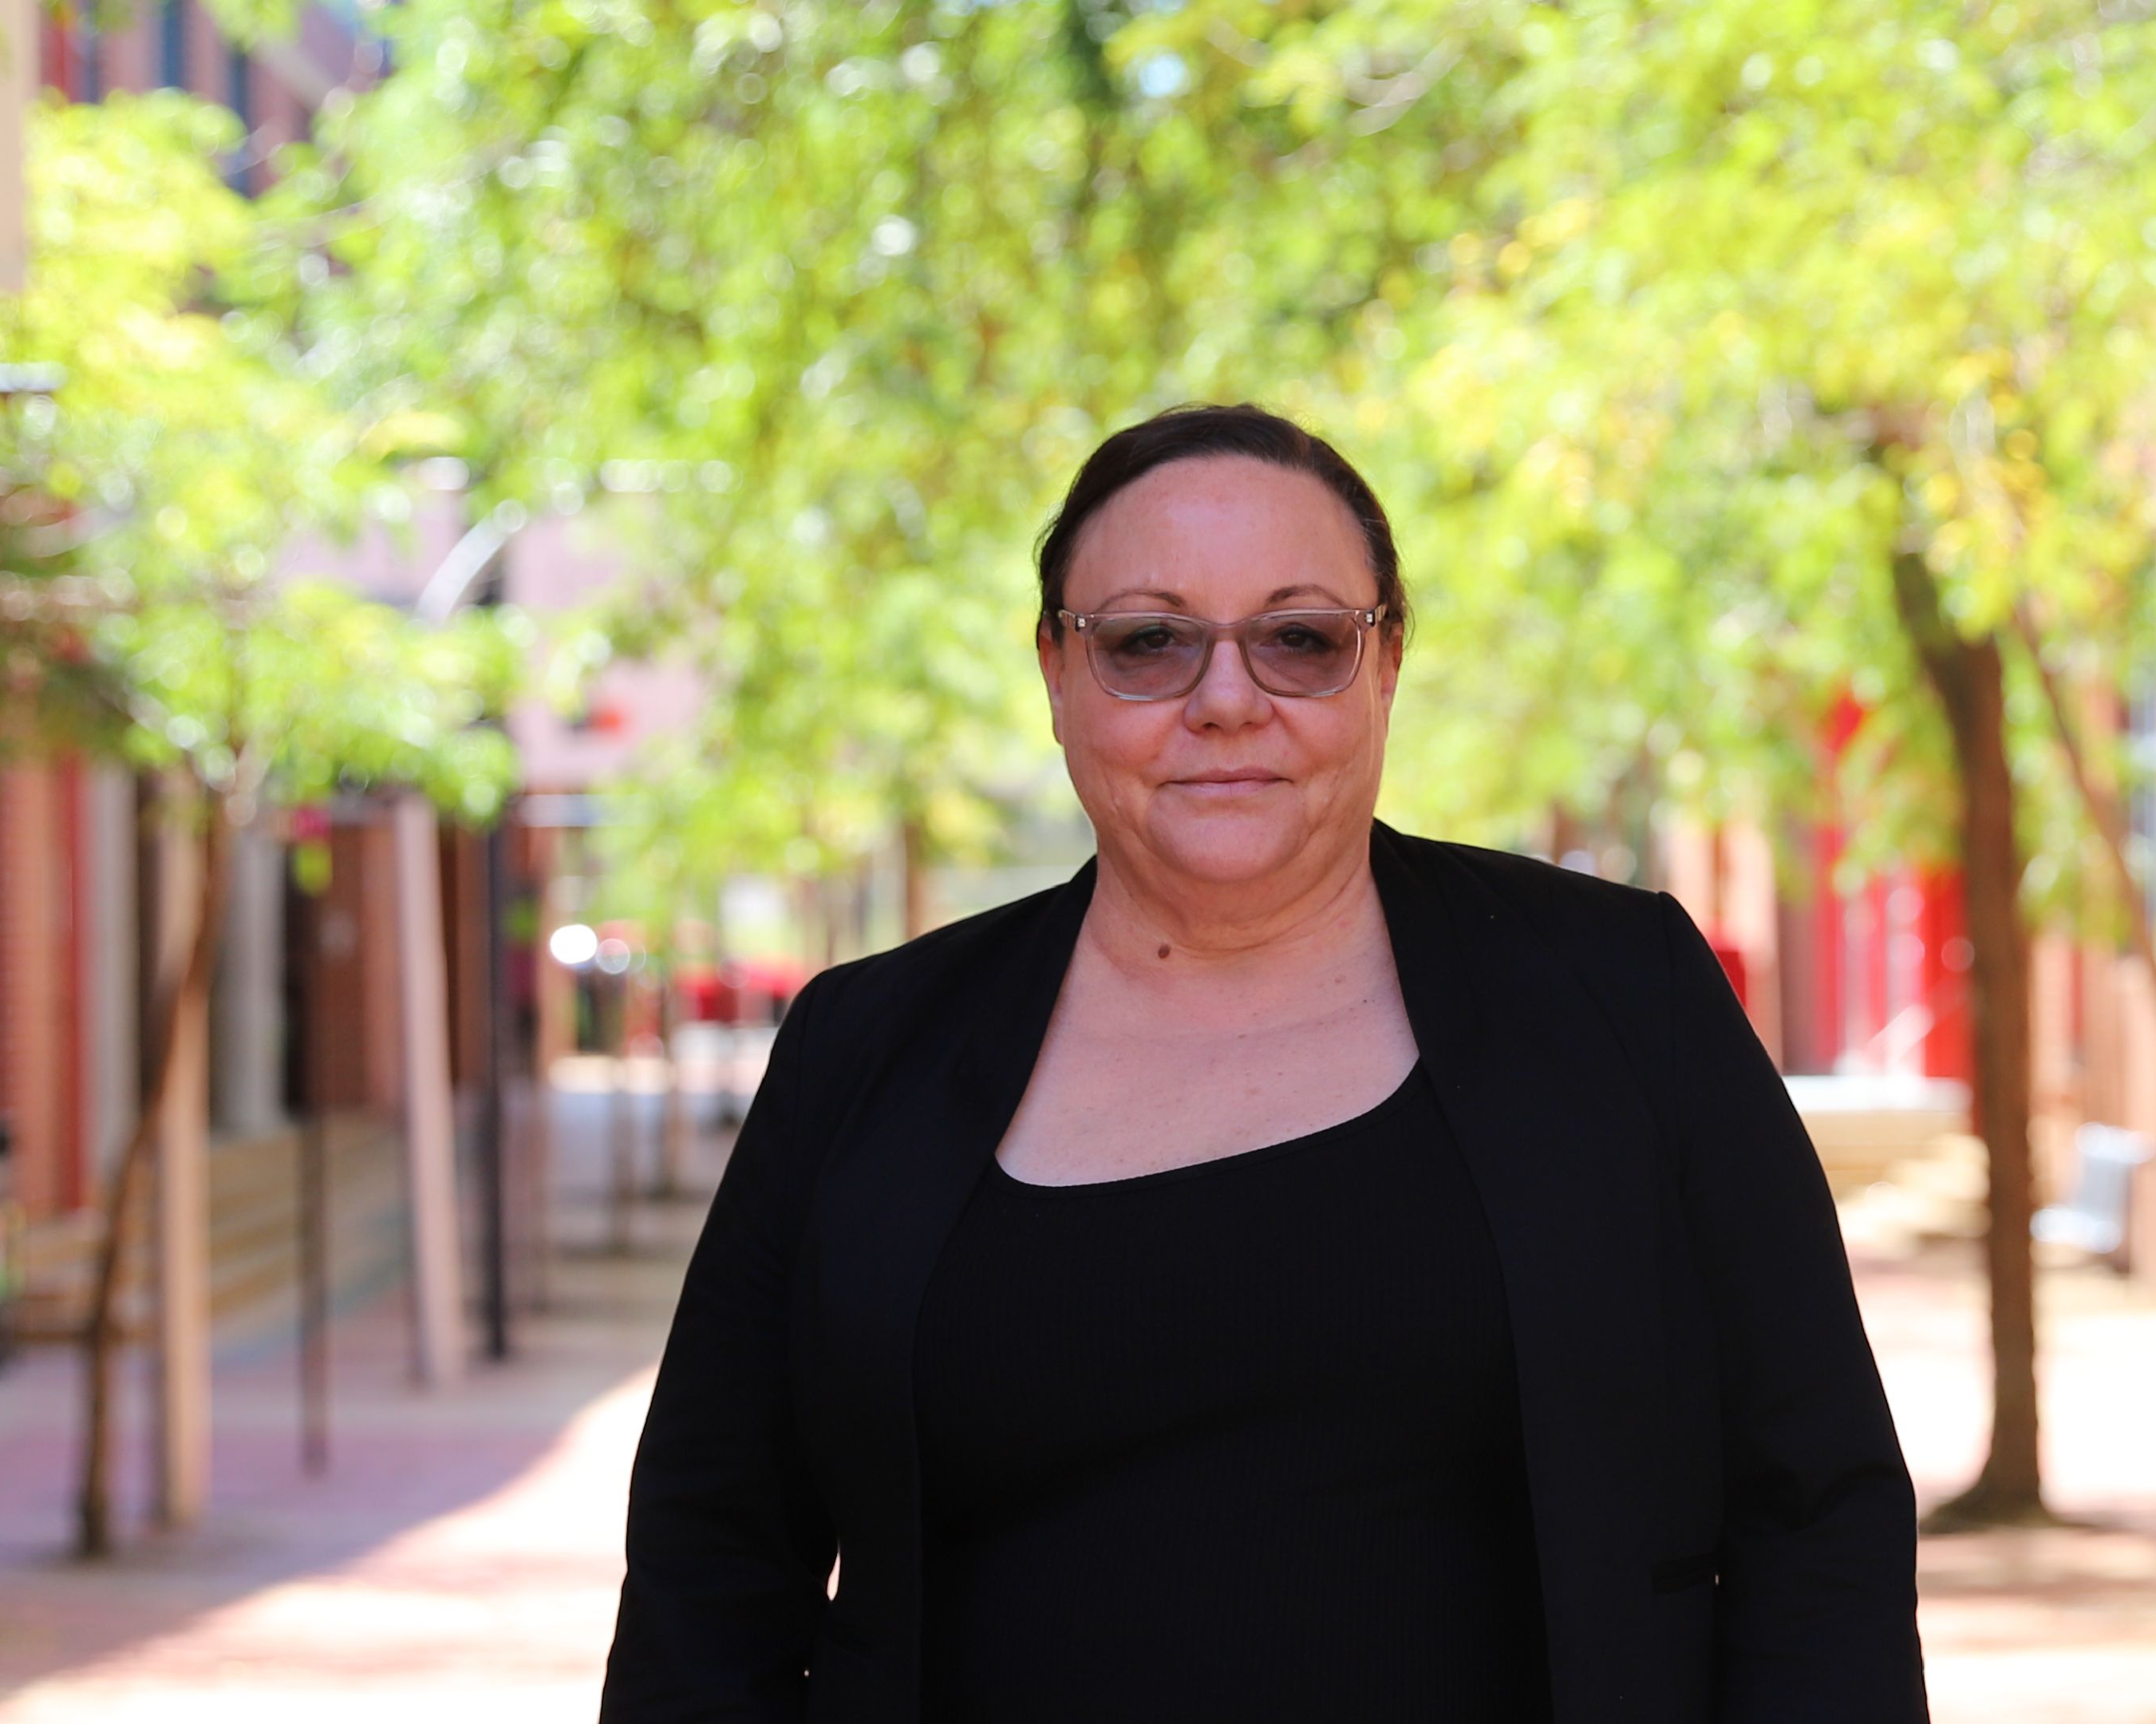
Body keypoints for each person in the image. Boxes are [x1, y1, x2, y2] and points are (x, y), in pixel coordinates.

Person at [601, 404, 1925, 1723]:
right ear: (1058, 675)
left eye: (1300, 640)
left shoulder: (1623, 998)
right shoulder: (863, 1051)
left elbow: (1816, 1513)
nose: (1226, 701)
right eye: (1147, 643)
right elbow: (710, 1575)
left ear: (1388, 665)